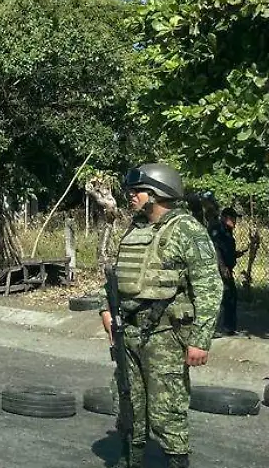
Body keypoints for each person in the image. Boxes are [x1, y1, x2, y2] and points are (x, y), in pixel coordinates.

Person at [100, 163, 222, 468]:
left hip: (165, 333)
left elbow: (209, 287)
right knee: (129, 405)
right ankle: (133, 460)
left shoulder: (186, 230)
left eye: (139, 191)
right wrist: (105, 307)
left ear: (158, 193)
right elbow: (119, 275)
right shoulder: (137, 228)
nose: (132, 196)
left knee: (166, 411)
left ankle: (177, 462)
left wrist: (200, 340)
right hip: (128, 331)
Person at [210, 207, 242, 337]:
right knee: (223, 298)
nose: (234, 221)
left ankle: (228, 328)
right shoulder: (218, 230)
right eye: (232, 218)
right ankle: (220, 328)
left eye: (235, 218)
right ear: (224, 217)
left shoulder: (227, 231)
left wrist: (235, 254)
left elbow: (226, 251)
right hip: (219, 270)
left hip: (225, 269)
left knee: (230, 297)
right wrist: (222, 267)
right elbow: (216, 250)